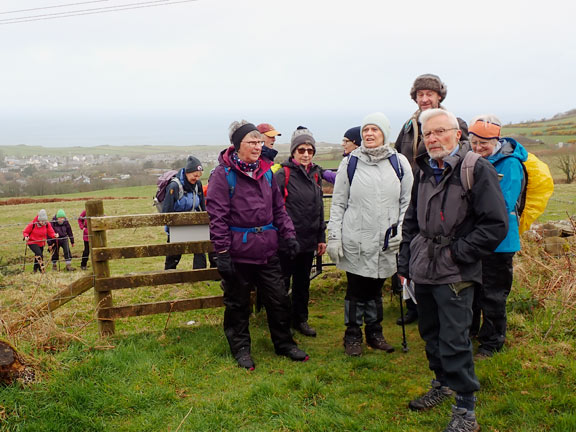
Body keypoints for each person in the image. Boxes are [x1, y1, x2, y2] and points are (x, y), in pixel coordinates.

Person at [397, 108, 508, 432]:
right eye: (428, 133)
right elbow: (412, 221)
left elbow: (495, 224)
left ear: (456, 134)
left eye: (440, 131)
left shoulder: (477, 169)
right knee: (430, 332)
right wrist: (405, 260)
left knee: (455, 338)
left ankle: (465, 411)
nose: (433, 138)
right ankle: (441, 384)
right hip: (424, 267)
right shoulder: (423, 170)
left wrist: (460, 253)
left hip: (456, 272)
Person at [206, 120, 308, 370]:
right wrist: (222, 253)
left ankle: (284, 344)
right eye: (251, 142)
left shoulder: (266, 172)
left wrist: (290, 235)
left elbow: (278, 209)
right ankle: (241, 348)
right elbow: (217, 216)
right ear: (237, 145)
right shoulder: (223, 175)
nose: (257, 146)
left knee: (278, 299)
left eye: (259, 141)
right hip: (238, 253)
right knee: (238, 304)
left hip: (267, 250)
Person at [327, 112, 413, 356]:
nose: (369, 134)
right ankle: (352, 335)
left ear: (384, 133)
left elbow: (408, 201)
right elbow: (339, 202)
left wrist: (402, 229)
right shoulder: (350, 163)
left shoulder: (399, 163)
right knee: (355, 290)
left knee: (376, 289)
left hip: (386, 240)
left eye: (374, 129)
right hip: (356, 238)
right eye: (366, 130)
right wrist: (334, 235)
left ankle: (375, 333)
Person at [394, 73, 470, 326]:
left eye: (429, 94)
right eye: (420, 94)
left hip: (444, 193)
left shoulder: (453, 123)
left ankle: (442, 305)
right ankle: (414, 306)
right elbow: (397, 158)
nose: (424, 99)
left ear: (440, 96)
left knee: (437, 247)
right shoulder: (408, 127)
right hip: (414, 194)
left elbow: (464, 156)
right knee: (412, 245)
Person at [468, 115, 527, 358]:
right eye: (474, 142)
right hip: (475, 237)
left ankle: (492, 342)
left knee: (493, 293)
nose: (479, 148)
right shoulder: (471, 160)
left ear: (496, 139)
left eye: (484, 142)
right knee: (472, 289)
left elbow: (502, 203)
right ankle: (471, 331)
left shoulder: (510, 164)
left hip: (501, 241)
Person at [275, 127, 327, 337]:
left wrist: (320, 237)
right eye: (301, 149)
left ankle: (300, 320)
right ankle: (281, 321)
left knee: (303, 283)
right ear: (293, 151)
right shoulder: (283, 174)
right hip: (286, 241)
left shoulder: (315, 174)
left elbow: (320, 207)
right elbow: (275, 208)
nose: (306, 154)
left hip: (308, 240)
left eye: (310, 150)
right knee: (282, 282)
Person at [162, 155, 207, 270]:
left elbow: (202, 205)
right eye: (194, 175)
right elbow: (166, 210)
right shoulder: (174, 186)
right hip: (177, 225)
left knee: (200, 248)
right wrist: (171, 227)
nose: (196, 178)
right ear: (187, 172)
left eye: (199, 175)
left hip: (194, 222)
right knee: (175, 252)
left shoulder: (198, 185)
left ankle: (199, 277)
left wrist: (205, 220)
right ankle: (169, 276)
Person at [22, 209, 58, 273]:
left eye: (44, 221)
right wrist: (26, 236)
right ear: (38, 219)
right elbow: (25, 232)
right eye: (41, 221)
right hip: (32, 242)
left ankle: (34, 270)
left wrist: (54, 235)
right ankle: (42, 270)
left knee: (38, 255)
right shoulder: (33, 224)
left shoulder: (47, 224)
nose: (43, 222)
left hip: (41, 242)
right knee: (39, 254)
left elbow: (51, 232)